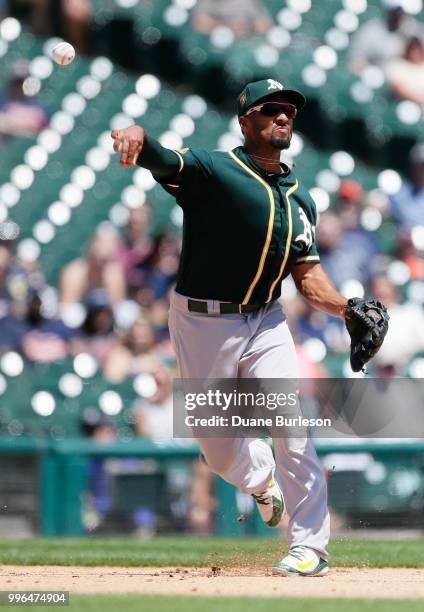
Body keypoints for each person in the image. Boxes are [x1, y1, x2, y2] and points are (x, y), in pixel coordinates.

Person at [110, 78, 378, 577]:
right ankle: (260, 481)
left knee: (291, 426)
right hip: (201, 320)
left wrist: (345, 308)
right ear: (245, 120)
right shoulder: (216, 169)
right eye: (270, 108)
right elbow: (164, 158)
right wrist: (137, 136)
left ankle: (309, 547)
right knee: (215, 445)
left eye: (289, 111)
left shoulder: (300, 200)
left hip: (267, 317)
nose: (283, 116)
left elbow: (309, 278)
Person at [348, 0, 424, 75]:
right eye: (397, 11)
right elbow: (355, 64)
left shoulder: (414, 30)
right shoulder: (371, 32)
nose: (400, 15)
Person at [384, 36, 424, 104]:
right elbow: (398, 88)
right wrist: (420, 99)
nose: (415, 52)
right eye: (412, 49)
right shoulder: (397, 65)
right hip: (405, 104)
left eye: (417, 49)